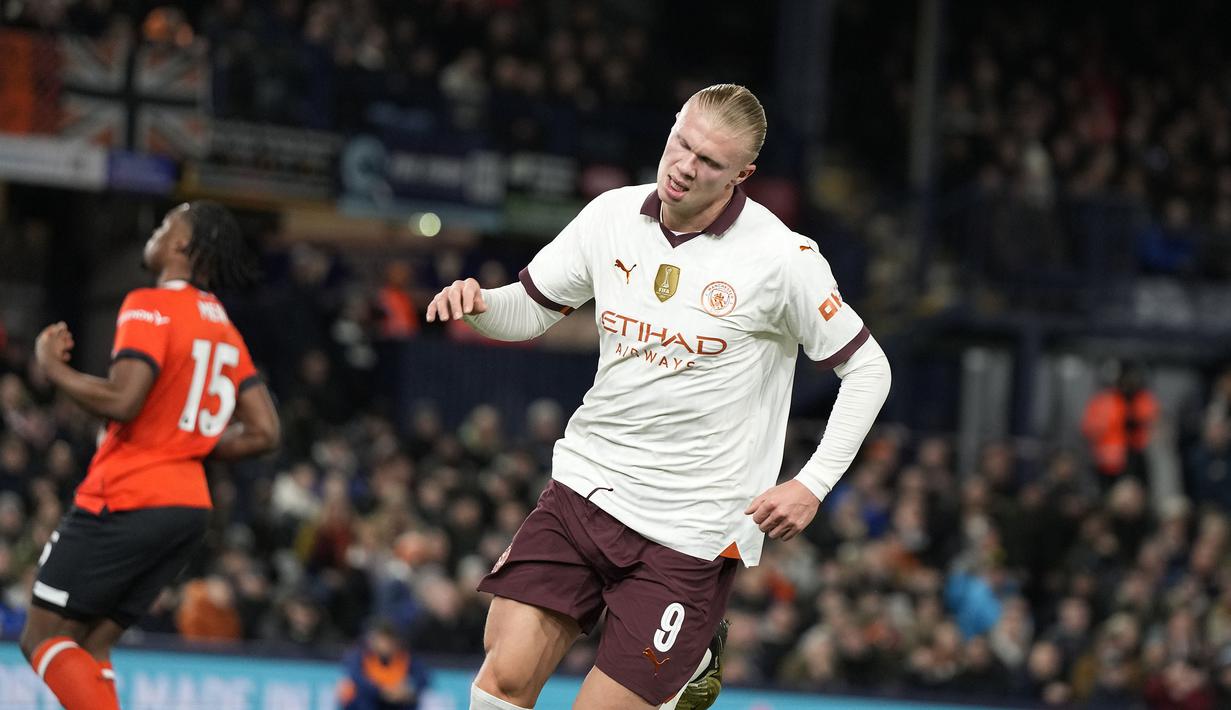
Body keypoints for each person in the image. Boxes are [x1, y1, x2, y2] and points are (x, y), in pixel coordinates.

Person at [426, 84, 892, 710]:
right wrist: (481, 306)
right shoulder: (611, 216)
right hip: (585, 487)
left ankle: (689, 663)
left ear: (742, 176)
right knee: (501, 682)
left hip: (689, 530)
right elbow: (530, 311)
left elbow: (869, 369)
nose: (683, 166)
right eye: (682, 142)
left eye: (708, 163)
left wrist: (812, 484)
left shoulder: (783, 259)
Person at [18, 201, 280, 710]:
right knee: (92, 644)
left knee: (40, 636)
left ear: (181, 246)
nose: (156, 233)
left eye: (166, 226)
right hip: (186, 509)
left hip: (126, 494)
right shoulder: (222, 325)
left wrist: (53, 369)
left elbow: (123, 399)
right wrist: (189, 446)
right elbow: (266, 431)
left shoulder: (149, 303)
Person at [337, 619, 433, 710]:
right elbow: (357, 678)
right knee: (352, 694)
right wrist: (382, 691)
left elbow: (423, 678)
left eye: (388, 640)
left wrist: (408, 688)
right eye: (381, 640)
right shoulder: (360, 656)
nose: (384, 645)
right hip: (370, 701)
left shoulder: (406, 657)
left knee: (413, 701)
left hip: (398, 702)